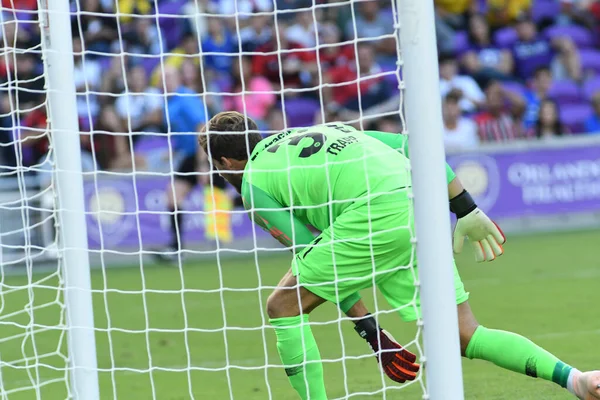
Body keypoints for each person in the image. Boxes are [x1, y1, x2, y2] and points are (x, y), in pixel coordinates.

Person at [198, 111, 600, 400]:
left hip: (371, 217)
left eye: (218, 170)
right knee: (465, 334)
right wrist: (465, 208)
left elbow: (311, 251)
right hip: (415, 207)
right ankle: (576, 380)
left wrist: (372, 333)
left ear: (226, 163)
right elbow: (413, 147)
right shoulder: (320, 129)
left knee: (283, 305)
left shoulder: (252, 183)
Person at [461, 14, 514, 86]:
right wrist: (496, 68)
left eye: (479, 26)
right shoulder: (469, 47)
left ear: (486, 26)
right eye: (473, 27)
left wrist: (485, 67)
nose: (476, 30)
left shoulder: (499, 43)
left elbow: (507, 68)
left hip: (502, 81)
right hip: (482, 83)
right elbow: (474, 68)